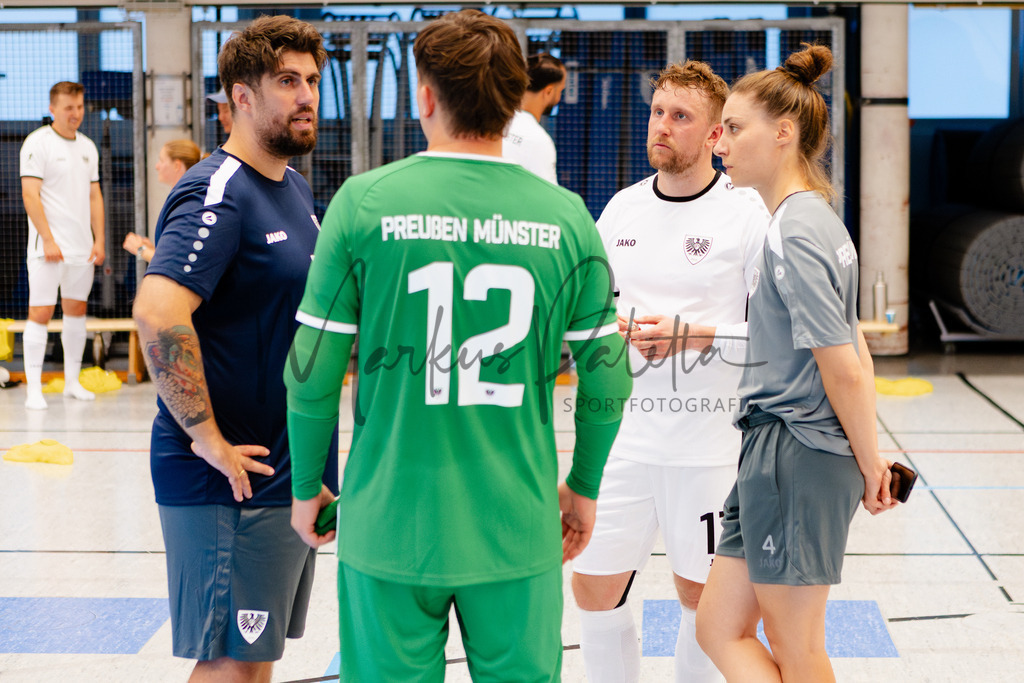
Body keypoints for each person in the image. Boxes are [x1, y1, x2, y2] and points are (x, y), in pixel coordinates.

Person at [285, 9, 632, 681]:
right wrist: (582, 487)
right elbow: (608, 377)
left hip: (389, 525)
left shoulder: (362, 204)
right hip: (517, 528)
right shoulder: (566, 218)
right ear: (512, 104)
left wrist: (305, 487)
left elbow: (311, 371)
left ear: (424, 97)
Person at [132, 16, 338, 682]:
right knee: (225, 663)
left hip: (281, 473)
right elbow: (158, 311)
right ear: (241, 96)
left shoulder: (294, 189)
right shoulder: (216, 191)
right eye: (287, 81)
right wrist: (206, 437)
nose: (306, 95)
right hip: (227, 480)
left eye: (311, 79)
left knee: (252, 662)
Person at [694, 44, 899, 681]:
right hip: (775, 450)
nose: (719, 141)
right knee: (719, 626)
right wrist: (872, 451)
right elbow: (857, 351)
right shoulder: (813, 220)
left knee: (798, 647)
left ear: (783, 134)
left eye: (732, 127)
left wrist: (871, 464)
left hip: (797, 451)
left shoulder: (796, 230)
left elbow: (841, 362)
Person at [570, 61, 769, 683]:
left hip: (708, 444)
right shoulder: (622, 209)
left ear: (715, 135)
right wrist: (609, 328)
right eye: (658, 112)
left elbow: (778, 336)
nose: (662, 126)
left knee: (703, 603)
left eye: (680, 116)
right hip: (622, 440)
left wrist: (695, 334)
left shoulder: (746, 215)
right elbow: (589, 308)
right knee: (593, 590)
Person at [19, 81, 106, 411]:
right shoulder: (37, 143)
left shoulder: (87, 147)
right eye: (69, 108)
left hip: (81, 248)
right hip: (47, 248)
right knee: (40, 313)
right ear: (53, 108)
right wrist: (50, 239)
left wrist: (99, 240)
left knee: (76, 311)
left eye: (80, 107)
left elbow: (94, 195)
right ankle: (33, 391)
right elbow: (30, 195)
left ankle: (72, 382)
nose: (76, 114)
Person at [123, 139, 201, 263]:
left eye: (162, 160)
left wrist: (140, 249)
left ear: (177, 165)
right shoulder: (184, 198)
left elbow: (173, 262)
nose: (157, 166)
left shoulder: (186, 203)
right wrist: (154, 249)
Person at [502, 52, 567, 184]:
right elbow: (548, 196)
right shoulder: (538, 140)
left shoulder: (494, 123)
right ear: (548, 91)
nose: (560, 98)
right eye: (560, 90)